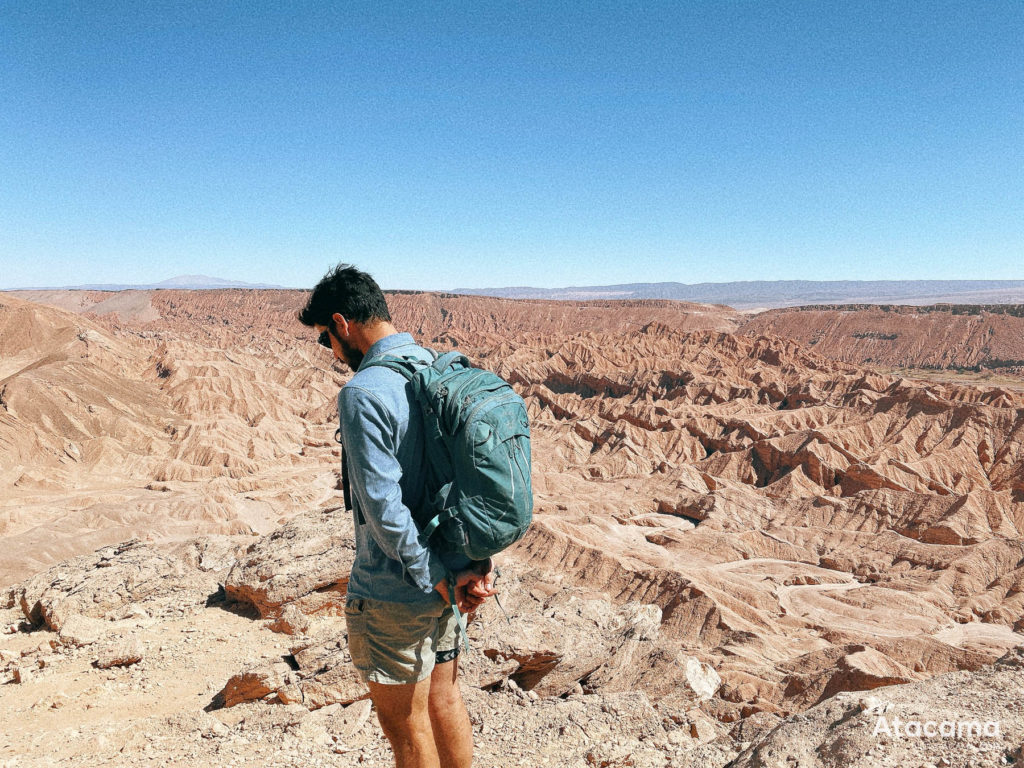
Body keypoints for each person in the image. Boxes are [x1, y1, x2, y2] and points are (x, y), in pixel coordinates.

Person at [299, 263, 497, 768]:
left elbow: (383, 509)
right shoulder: (439, 369)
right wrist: (472, 568)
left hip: (396, 589)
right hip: (454, 575)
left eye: (327, 340)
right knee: (445, 700)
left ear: (342, 324)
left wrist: (432, 578)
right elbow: (473, 480)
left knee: (406, 725)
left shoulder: (364, 392)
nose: (332, 353)